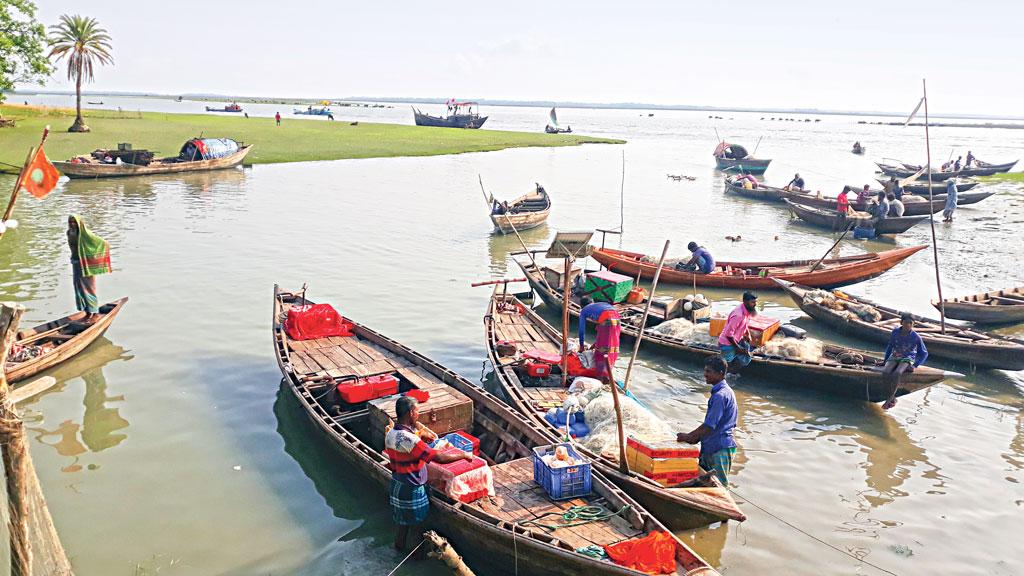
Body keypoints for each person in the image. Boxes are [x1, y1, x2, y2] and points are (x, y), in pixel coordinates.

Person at [385, 396, 473, 551]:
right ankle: (416, 558)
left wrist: (419, 436)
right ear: (411, 412)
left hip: (397, 485)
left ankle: (398, 551)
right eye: (418, 411)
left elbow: (406, 445)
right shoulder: (410, 439)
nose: (418, 414)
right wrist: (464, 455)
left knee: (402, 525)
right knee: (417, 528)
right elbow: (438, 457)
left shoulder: (391, 433)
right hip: (412, 489)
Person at [676, 356, 738, 486]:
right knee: (704, 484)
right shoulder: (725, 392)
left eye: (709, 371)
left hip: (718, 448)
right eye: (705, 371)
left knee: (719, 487)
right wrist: (694, 438)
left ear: (720, 374)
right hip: (713, 446)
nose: (705, 374)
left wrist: (689, 437)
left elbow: (709, 426)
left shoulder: (720, 396)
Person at [67, 215, 112, 323]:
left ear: (79, 223)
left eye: (74, 222)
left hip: (85, 265)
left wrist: (93, 257)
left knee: (88, 288)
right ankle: (87, 313)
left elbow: (103, 243)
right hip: (75, 263)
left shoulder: (85, 234)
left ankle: (95, 313)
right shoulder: (69, 232)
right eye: (71, 222)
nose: (72, 224)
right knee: (79, 288)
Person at [880, 313, 928, 409]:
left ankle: (889, 398)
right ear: (901, 322)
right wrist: (885, 361)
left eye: (911, 323)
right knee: (885, 372)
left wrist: (915, 365)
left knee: (897, 373)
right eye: (906, 322)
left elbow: (924, 353)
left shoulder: (916, 337)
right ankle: (892, 397)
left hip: (907, 357)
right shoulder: (895, 332)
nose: (908, 325)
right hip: (896, 355)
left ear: (913, 324)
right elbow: (890, 346)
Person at [579, 296, 621, 382]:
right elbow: (602, 334)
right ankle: (608, 373)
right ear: (592, 301)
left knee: (601, 351)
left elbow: (581, 330)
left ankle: (601, 377)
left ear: (581, 306)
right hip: (617, 320)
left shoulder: (584, 310)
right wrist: (594, 344)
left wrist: (582, 346)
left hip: (607, 320)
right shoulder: (601, 305)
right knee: (612, 347)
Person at [718, 292, 757, 372]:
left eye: (755, 302)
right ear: (745, 301)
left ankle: (732, 371)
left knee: (745, 356)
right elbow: (728, 334)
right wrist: (737, 348)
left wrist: (747, 334)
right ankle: (725, 375)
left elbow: (745, 324)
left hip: (737, 339)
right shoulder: (738, 315)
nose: (755, 304)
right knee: (726, 364)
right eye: (752, 302)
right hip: (727, 343)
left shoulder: (746, 310)